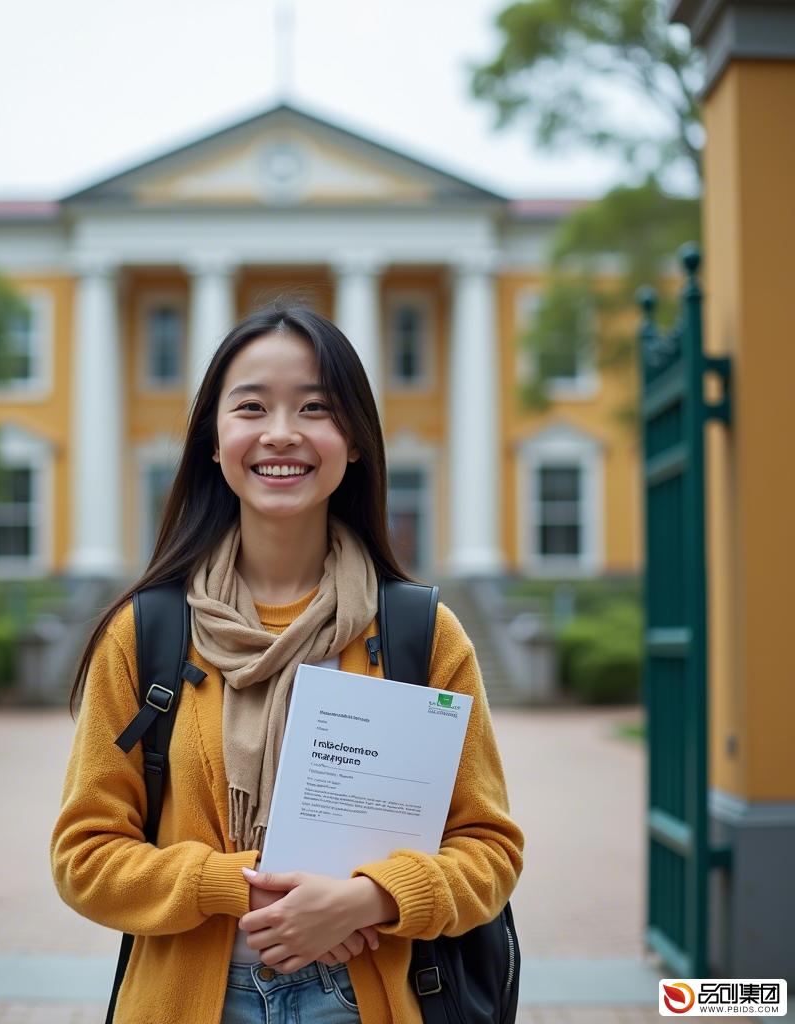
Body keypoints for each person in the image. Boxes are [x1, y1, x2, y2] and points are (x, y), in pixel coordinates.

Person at [51, 303, 525, 1024]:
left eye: (315, 407)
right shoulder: (144, 632)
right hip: (187, 1002)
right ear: (214, 440)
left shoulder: (420, 634)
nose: (281, 433)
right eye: (251, 406)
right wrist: (237, 885)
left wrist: (373, 897)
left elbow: (488, 851)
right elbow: (85, 859)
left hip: (370, 1000)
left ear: (356, 442)